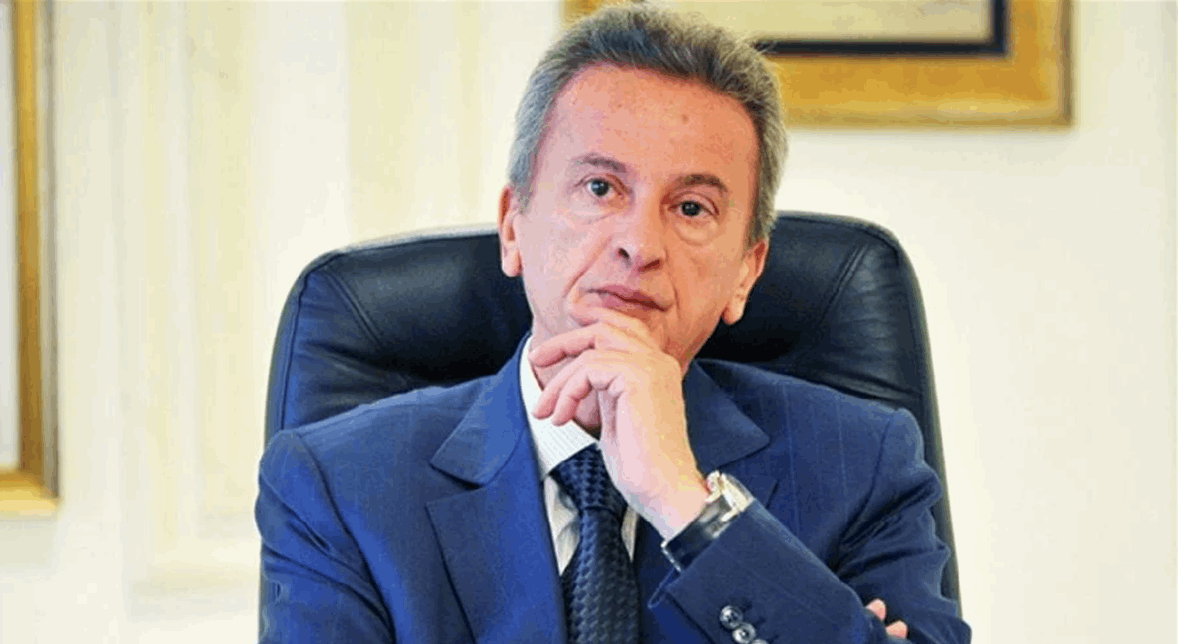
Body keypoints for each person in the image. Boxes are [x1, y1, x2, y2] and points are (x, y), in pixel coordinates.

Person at [256, 5, 970, 643]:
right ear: (513, 226)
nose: (640, 244)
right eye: (600, 188)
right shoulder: (340, 485)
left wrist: (689, 505)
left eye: (691, 208)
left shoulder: (861, 465)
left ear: (746, 272)